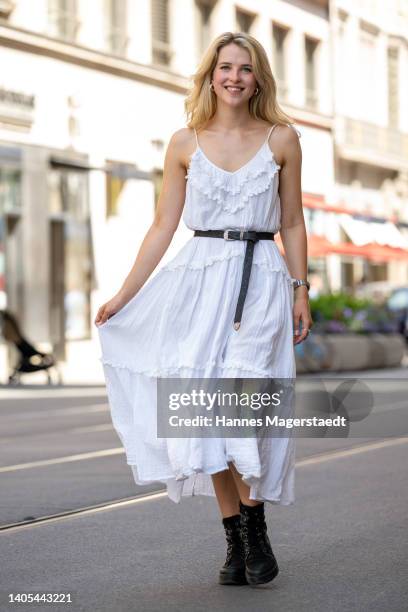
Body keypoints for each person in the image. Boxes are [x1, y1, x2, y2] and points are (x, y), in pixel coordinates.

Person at [95, 31, 312, 587]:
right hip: (198, 283)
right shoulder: (183, 143)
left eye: (245, 68)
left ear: (259, 77)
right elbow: (163, 226)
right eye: (225, 68)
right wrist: (124, 295)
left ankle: (256, 525)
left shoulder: (283, 139)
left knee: (243, 409)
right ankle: (235, 538)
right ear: (210, 76)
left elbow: (291, 222)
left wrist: (300, 288)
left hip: (260, 281)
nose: (234, 77)